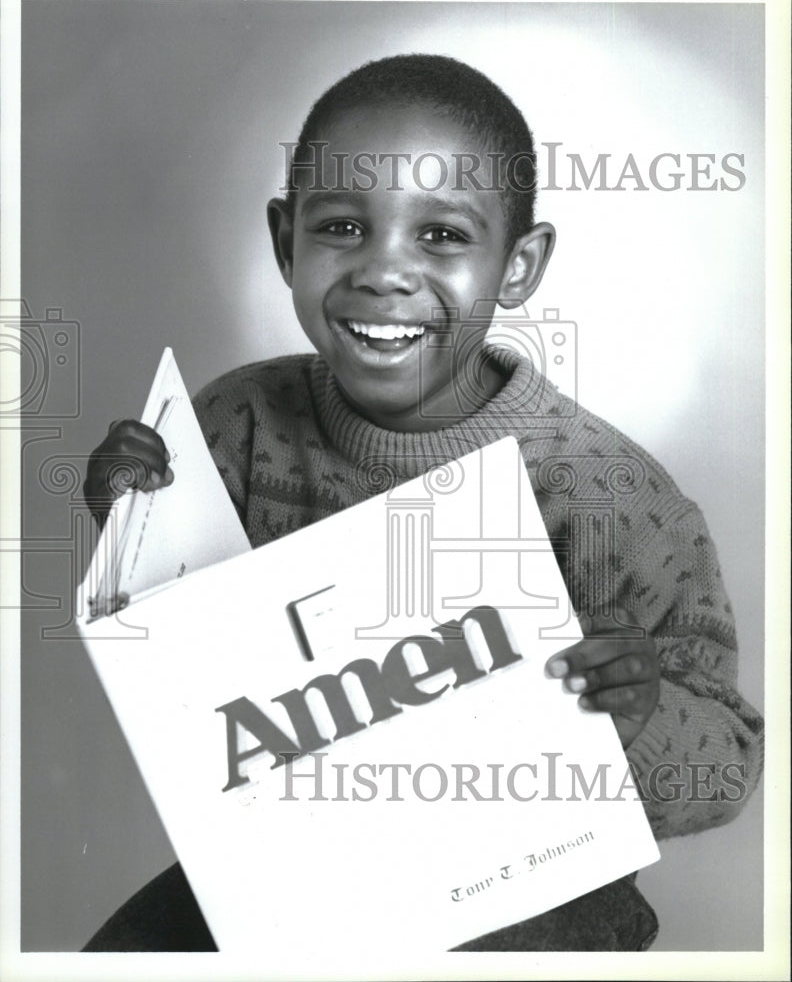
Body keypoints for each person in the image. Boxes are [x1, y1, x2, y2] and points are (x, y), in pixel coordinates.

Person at [82, 54, 763, 952]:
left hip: (530, 889)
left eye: (441, 236)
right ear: (286, 240)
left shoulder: (610, 496)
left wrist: (637, 714)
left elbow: (727, 765)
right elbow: (184, 657)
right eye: (342, 228)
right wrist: (131, 525)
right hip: (297, 864)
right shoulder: (237, 425)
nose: (384, 273)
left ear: (518, 267)